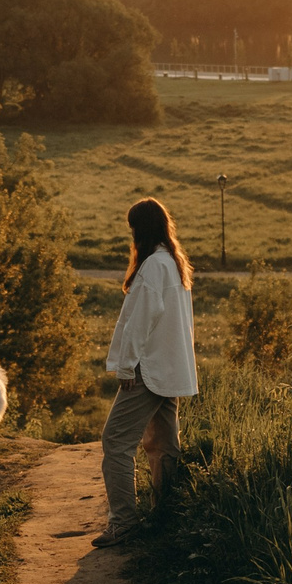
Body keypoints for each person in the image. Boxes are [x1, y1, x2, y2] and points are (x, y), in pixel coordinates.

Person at [93, 196, 198, 547]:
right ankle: (167, 514)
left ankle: (124, 522)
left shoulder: (154, 266)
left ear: (140, 229)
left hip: (147, 369)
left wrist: (126, 365)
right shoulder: (174, 262)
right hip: (169, 368)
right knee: (164, 445)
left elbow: (139, 321)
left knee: (116, 442)